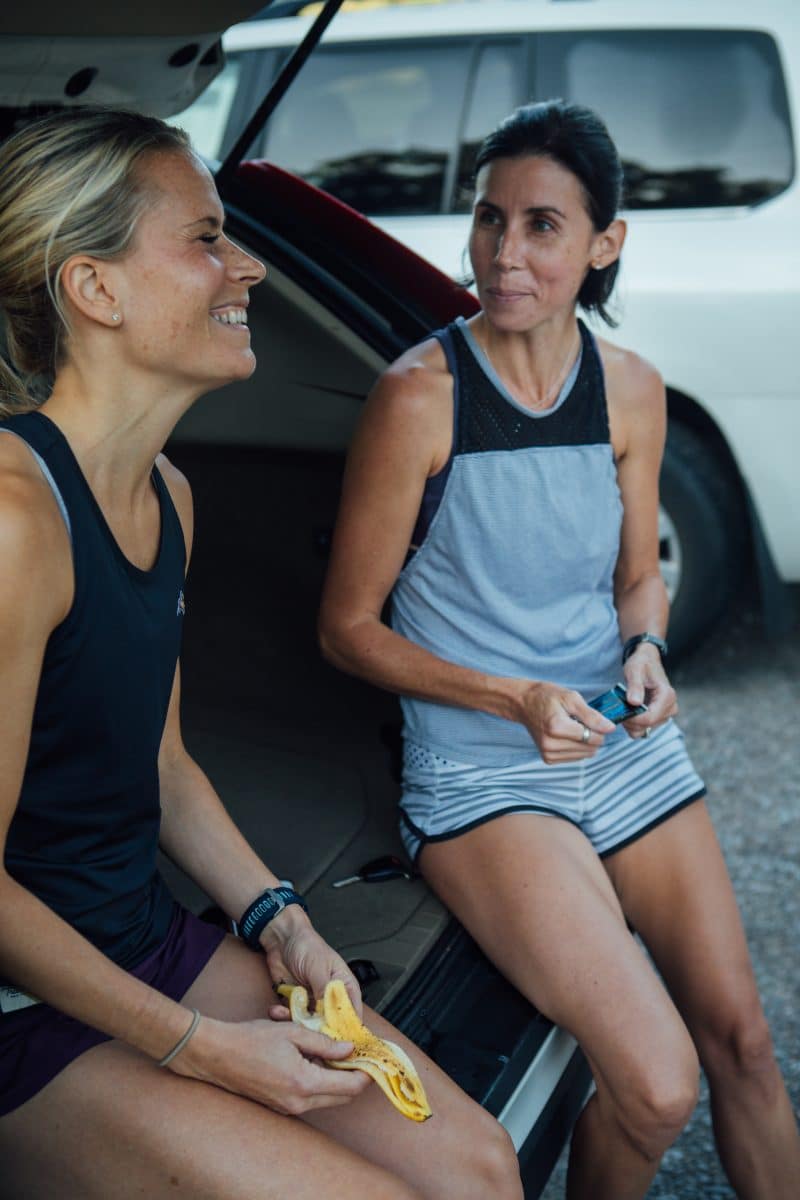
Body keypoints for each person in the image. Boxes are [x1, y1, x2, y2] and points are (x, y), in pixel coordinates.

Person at [0, 107, 523, 1200]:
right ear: (94, 290)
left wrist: (279, 918)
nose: (248, 268)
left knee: (478, 1171)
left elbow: (164, 764)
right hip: (21, 1005)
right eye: (204, 239)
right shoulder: (13, 520)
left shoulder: (171, 498)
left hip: (138, 940)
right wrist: (195, 1045)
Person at [318, 99, 800, 1200]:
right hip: (481, 769)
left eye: (541, 225)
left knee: (745, 1049)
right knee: (656, 1083)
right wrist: (512, 697)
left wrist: (645, 649)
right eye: (489, 220)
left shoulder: (628, 389)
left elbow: (638, 576)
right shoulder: (416, 400)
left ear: (602, 244)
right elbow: (344, 631)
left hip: (612, 738)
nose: (502, 252)